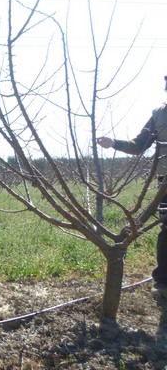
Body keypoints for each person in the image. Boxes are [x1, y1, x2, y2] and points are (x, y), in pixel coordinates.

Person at [97, 76, 167, 297]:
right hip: (166, 182)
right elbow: (139, 145)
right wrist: (114, 143)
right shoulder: (159, 115)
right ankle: (164, 282)